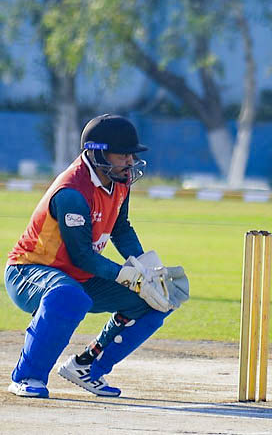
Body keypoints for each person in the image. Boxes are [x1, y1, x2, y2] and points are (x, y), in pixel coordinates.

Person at [5, 114, 188, 398]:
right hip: (30, 271)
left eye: (131, 154)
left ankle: (87, 367)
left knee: (156, 304)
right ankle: (27, 376)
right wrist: (129, 276)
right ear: (98, 153)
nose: (130, 161)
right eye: (123, 154)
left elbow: (121, 229)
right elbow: (82, 256)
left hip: (79, 275)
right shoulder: (72, 192)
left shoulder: (120, 180)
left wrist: (146, 269)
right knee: (68, 296)